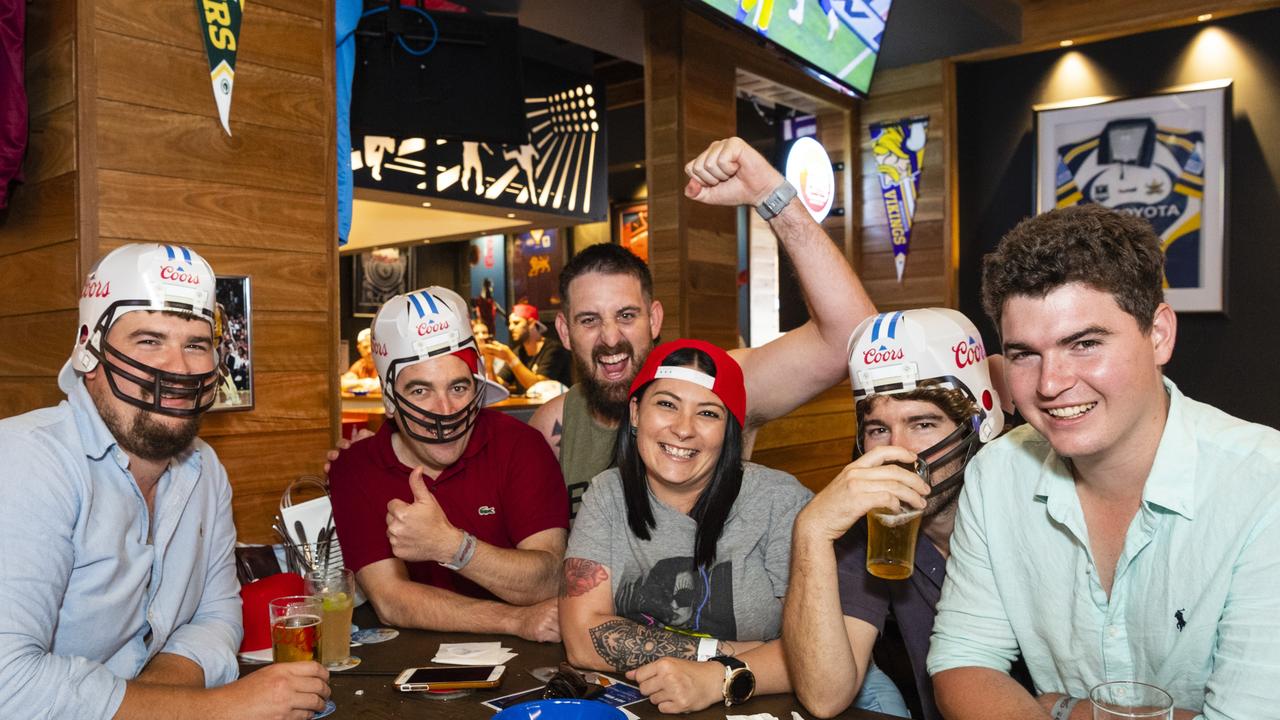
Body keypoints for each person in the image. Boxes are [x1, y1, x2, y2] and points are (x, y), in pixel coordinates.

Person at [928, 204, 1280, 719]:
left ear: (1158, 335)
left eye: (1085, 344)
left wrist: (1068, 710)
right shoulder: (996, 471)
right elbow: (963, 662)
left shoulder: (1263, 482)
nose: (1050, 384)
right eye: (1024, 353)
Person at [0, 243, 330, 719]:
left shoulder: (205, 470)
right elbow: (9, 685)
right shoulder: (27, 460)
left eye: (196, 344)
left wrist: (157, 705)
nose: (179, 368)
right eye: (149, 340)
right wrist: (215, 709)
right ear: (89, 354)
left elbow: (216, 617)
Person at [530, 136, 876, 507]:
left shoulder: (715, 386)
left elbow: (853, 337)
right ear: (565, 332)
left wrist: (769, 194)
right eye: (589, 320)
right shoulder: (552, 426)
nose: (611, 337)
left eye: (627, 315)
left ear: (655, 318)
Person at [560, 339, 812, 714]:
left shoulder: (778, 501)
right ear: (635, 412)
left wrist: (713, 678)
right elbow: (582, 640)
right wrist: (735, 655)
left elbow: (814, 657)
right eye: (666, 404)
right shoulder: (607, 494)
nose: (683, 429)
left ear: (731, 432)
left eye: (708, 414)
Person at [784, 308, 1004, 720]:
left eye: (922, 424)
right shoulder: (876, 524)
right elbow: (824, 695)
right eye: (878, 429)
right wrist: (810, 531)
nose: (898, 453)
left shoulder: (1030, 511)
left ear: (979, 424)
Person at [328, 286, 569, 643]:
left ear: (477, 388)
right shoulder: (356, 468)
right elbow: (391, 600)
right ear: (391, 400)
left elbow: (549, 579)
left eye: (457, 388)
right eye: (420, 391)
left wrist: (452, 546)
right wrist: (515, 620)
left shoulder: (519, 445)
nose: (445, 411)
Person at [484, 302, 572, 394]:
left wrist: (510, 357)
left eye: (516, 323)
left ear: (531, 323)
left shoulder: (554, 350)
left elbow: (539, 388)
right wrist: (489, 365)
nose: (510, 327)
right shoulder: (518, 352)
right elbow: (498, 388)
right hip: (528, 408)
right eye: (510, 324)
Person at [340, 327, 378, 393]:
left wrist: (355, 386)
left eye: (372, 346)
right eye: (365, 347)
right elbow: (342, 383)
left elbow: (379, 387)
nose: (369, 351)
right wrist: (363, 382)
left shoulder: (383, 364)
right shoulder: (359, 365)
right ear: (359, 348)